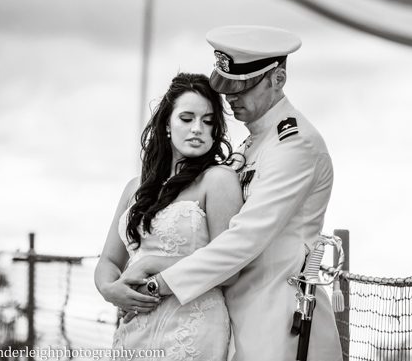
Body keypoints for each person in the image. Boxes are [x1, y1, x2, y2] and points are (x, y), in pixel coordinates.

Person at [119, 26, 342, 360]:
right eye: (227, 86)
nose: (230, 97)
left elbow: (242, 241)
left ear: (277, 79)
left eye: (243, 86)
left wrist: (157, 283)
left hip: (277, 325)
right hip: (235, 321)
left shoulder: (294, 146)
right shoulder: (254, 143)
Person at [95, 73, 243, 360]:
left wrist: (151, 264)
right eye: (187, 118)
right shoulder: (135, 187)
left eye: (208, 121)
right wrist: (110, 290)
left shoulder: (218, 181)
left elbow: (230, 267)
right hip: (134, 326)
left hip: (191, 327)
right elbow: (109, 260)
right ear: (167, 124)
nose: (197, 129)